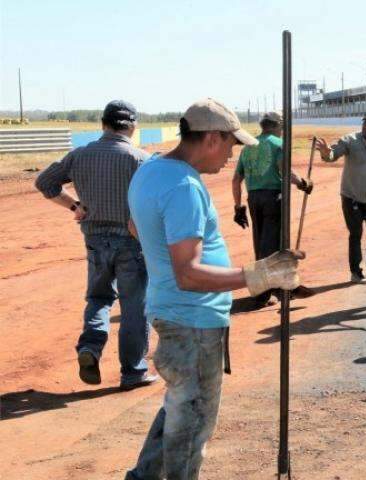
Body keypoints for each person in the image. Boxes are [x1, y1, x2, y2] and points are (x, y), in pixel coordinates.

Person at [126, 98, 302, 479]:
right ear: (210, 138)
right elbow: (188, 274)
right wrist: (261, 275)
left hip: (173, 312)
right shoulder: (183, 187)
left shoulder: (151, 170)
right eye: (230, 145)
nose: (230, 156)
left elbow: (135, 227)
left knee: (178, 409)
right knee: (192, 423)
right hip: (192, 322)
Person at [35, 100, 156, 390]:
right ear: (133, 127)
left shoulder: (80, 155)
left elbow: (45, 182)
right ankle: (133, 371)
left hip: (94, 240)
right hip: (131, 243)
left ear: (102, 124)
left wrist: (75, 205)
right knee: (134, 308)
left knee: (99, 298)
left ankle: (90, 348)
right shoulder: (141, 159)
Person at [232, 111, 313, 308]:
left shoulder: (249, 146)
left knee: (260, 243)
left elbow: (236, 179)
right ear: (277, 126)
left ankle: (268, 290)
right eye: (282, 127)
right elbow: (286, 172)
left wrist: (238, 207)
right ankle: (269, 291)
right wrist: (303, 183)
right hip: (273, 198)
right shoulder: (278, 144)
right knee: (274, 247)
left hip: (254, 199)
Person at [316, 110, 366, 284]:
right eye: (365, 123)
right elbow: (332, 155)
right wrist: (326, 152)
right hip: (352, 197)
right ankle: (356, 273)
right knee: (356, 233)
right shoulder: (350, 140)